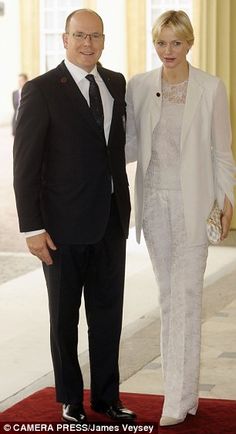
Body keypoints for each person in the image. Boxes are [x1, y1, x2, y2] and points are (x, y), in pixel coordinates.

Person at [13, 8, 135, 423]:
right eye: (80, 36)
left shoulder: (116, 83)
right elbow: (25, 165)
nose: (88, 44)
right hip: (61, 229)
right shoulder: (42, 90)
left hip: (110, 223)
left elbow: (115, 151)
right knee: (63, 320)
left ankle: (106, 398)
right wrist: (32, 227)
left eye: (96, 36)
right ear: (64, 39)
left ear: (104, 40)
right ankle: (70, 398)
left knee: (107, 318)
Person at [126, 10, 235, 427]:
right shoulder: (139, 86)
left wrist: (227, 201)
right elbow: (130, 144)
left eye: (176, 42)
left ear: (190, 43)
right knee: (168, 297)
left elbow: (221, 151)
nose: (168, 51)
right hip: (154, 205)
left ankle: (177, 396)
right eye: (161, 42)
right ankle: (182, 392)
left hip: (194, 204)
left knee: (188, 298)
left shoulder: (210, 88)